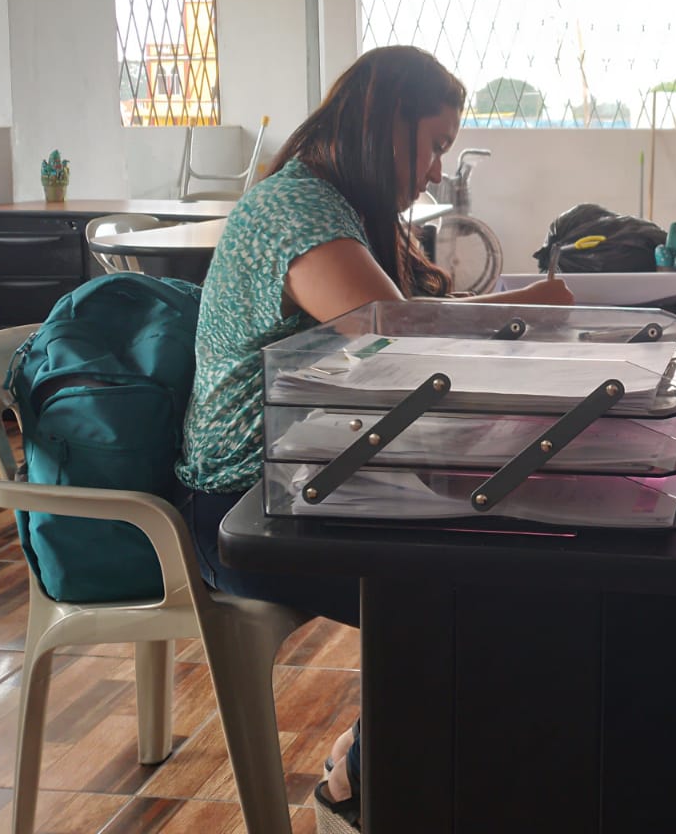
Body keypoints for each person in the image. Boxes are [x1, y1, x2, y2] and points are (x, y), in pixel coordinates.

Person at [175, 45, 572, 832]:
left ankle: (394, 764)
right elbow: (401, 335)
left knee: (517, 561)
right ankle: (366, 782)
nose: (434, 171)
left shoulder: (339, 208)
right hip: (245, 508)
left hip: (315, 476)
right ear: (383, 122)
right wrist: (533, 307)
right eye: (432, 144)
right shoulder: (296, 211)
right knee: (486, 587)